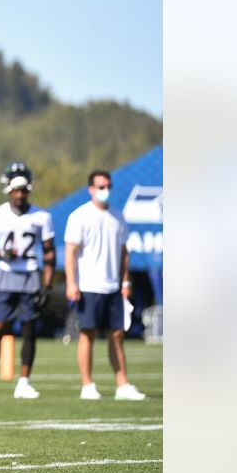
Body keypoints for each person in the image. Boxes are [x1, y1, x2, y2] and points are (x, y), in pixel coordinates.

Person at [0, 162, 55, 400]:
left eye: (23, 190)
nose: (19, 195)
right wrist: (1, 253)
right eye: (15, 190)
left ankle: (24, 382)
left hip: (30, 276)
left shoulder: (42, 217)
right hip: (5, 275)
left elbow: (49, 252)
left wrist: (47, 284)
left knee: (29, 331)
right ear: (8, 190)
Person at [65, 170, 146, 401]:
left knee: (117, 335)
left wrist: (125, 281)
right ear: (91, 189)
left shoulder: (118, 216)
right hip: (89, 285)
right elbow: (71, 253)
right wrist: (72, 283)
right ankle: (87, 385)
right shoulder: (79, 216)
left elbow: (124, 252)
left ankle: (122, 385)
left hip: (113, 286)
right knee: (88, 333)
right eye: (100, 186)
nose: (105, 190)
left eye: (107, 185)